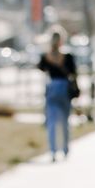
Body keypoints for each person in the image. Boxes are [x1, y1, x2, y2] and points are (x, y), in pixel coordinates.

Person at [37, 28, 77, 162]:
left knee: (52, 122)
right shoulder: (68, 56)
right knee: (65, 121)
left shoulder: (46, 56)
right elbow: (73, 72)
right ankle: (65, 149)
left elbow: (41, 68)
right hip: (64, 88)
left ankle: (53, 151)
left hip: (52, 88)